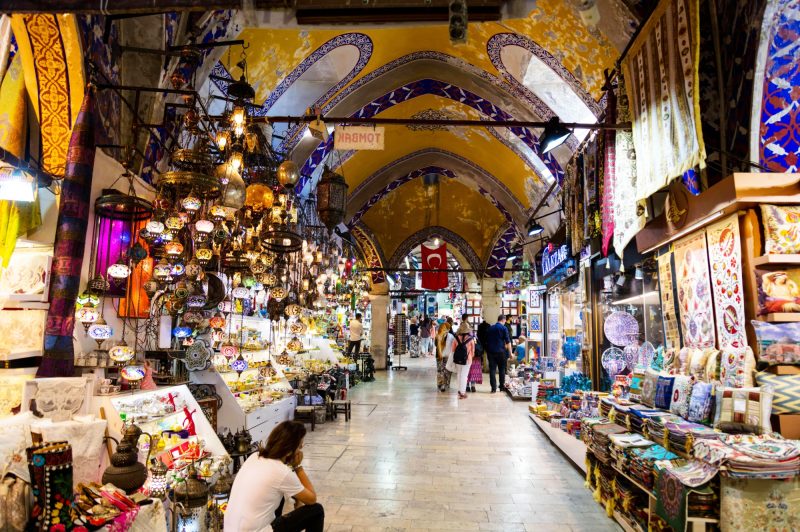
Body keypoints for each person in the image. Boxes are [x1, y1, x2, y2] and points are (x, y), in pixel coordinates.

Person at [225, 421, 324, 532]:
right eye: (299, 447)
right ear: (289, 451)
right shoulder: (282, 472)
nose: (300, 451)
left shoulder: (255, 456)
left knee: (278, 493)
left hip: (231, 528)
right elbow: (312, 499)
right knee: (316, 510)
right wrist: (298, 467)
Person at [446, 316, 475, 399]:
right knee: (464, 375)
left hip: (457, 359)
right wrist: (470, 358)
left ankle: (459, 390)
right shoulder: (471, 340)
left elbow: (453, 350)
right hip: (467, 360)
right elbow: (473, 352)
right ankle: (462, 392)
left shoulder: (456, 338)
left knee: (459, 374)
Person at [485, 314, 512, 393]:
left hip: (491, 352)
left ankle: (493, 388)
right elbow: (508, 341)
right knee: (502, 370)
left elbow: (486, 341)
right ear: (503, 320)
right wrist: (510, 353)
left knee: (492, 370)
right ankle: (501, 387)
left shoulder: (490, 328)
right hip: (501, 352)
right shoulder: (504, 328)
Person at [436, 321, 453, 392]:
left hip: (439, 356)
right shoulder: (451, 336)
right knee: (447, 370)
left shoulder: (438, 335)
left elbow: (435, 345)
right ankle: (446, 384)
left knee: (440, 370)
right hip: (447, 356)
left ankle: (440, 384)